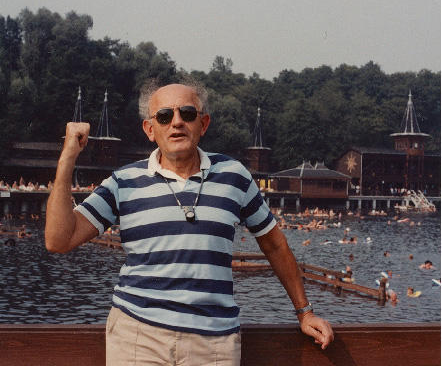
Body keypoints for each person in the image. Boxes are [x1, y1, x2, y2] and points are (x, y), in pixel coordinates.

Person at [45, 80, 333, 365]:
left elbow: (275, 245)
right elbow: (58, 241)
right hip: (137, 336)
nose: (177, 122)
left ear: (203, 124)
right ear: (150, 129)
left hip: (214, 343)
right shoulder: (123, 182)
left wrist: (305, 312)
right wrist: (69, 156)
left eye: (188, 114)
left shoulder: (235, 176)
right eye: (165, 116)